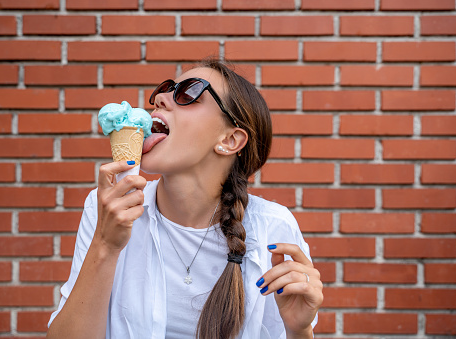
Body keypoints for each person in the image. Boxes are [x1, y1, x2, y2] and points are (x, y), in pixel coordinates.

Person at [46, 59, 323, 339]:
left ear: (230, 140)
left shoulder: (272, 229)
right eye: (165, 89)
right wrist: (105, 246)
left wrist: (298, 330)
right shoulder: (108, 208)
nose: (161, 98)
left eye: (188, 93)